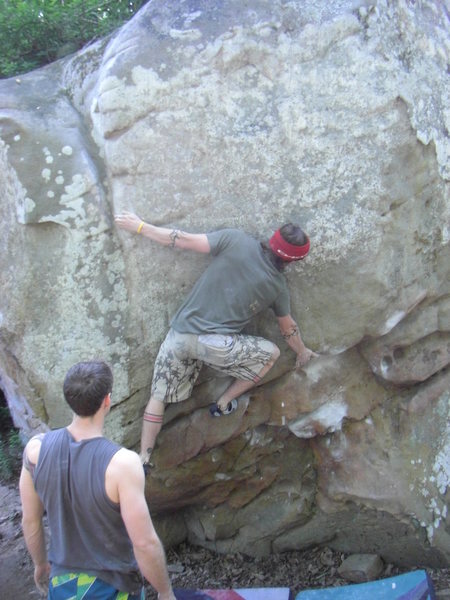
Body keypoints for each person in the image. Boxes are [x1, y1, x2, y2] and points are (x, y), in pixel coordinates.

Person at [114, 212, 318, 470]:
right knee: (271, 354)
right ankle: (223, 403)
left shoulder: (235, 240)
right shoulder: (278, 287)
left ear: (273, 237)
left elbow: (183, 240)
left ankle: (143, 457)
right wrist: (302, 352)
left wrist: (140, 226)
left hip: (180, 335)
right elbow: (288, 328)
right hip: (217, 346)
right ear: (291, 262)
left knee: (158, 397)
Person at [19, 360, 176, 600]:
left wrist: (40, 564)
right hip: (114, 588)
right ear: (107, 400)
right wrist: (165, 592)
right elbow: (144, 543)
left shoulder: (35, 451)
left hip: (63, 585)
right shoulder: (123, 464)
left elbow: (31, 521)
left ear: (68, 399)